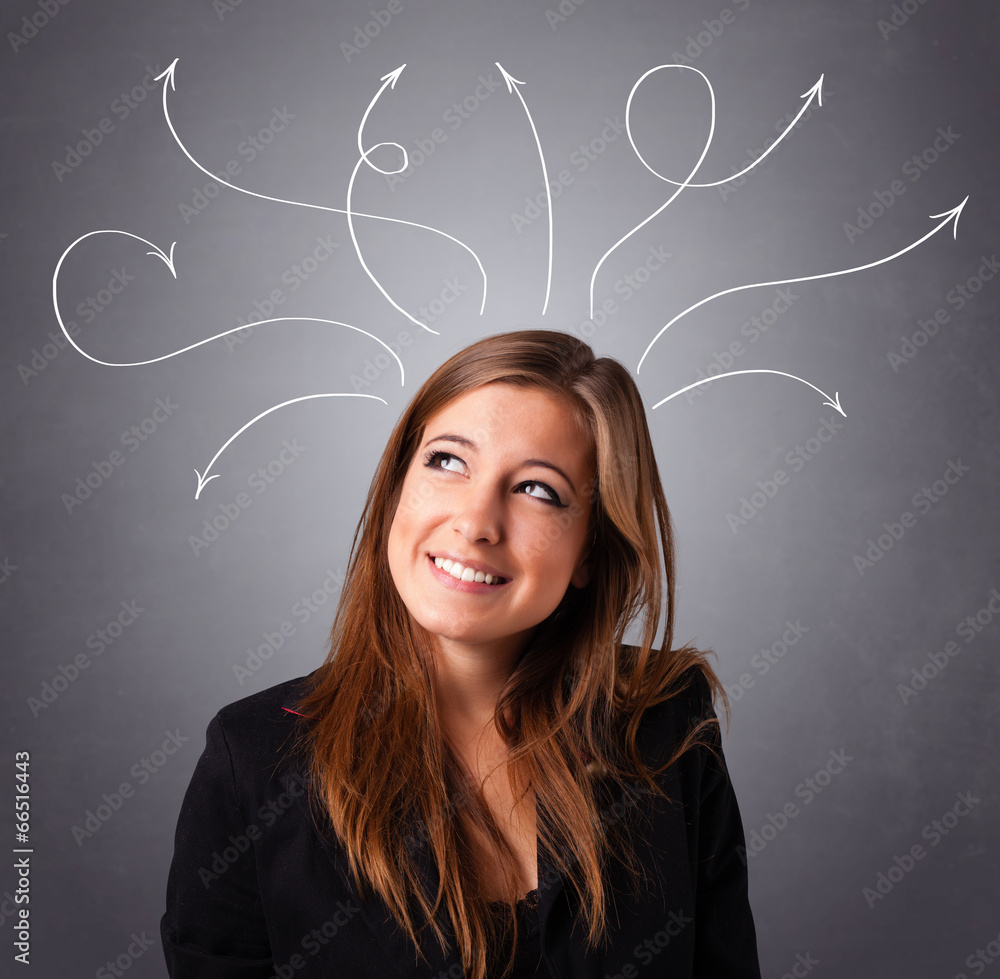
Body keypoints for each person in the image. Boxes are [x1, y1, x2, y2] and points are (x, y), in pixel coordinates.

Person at [160, 329, 761, 978]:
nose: (476, 521)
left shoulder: (668, 719)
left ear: (589, 548)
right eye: (447, 461)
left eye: (537, 489)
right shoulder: (251, 762)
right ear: (397, 486)